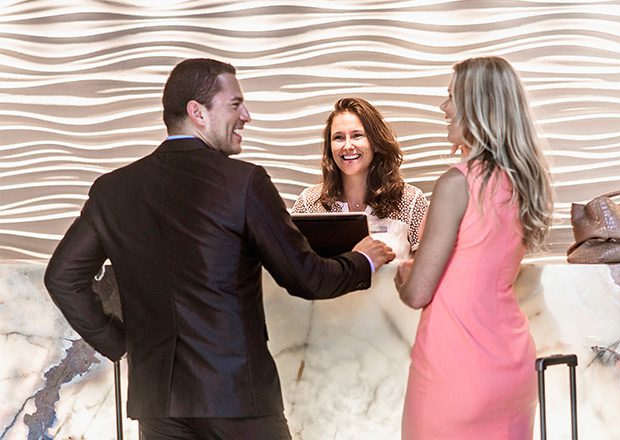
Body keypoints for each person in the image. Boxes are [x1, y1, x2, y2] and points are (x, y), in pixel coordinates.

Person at [43, 58, 395, 440]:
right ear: (197, 112)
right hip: (238, 399)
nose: (247, 115)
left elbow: (63, 277)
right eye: (235, 104)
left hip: (158, 403)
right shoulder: (244, 183)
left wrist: (118, 342)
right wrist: (363, 261)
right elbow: (305, 277)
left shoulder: (114, 190)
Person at [394, 56, 553, 439]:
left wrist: (402, 271)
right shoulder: (524, 184)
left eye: (452, 97)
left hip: (455, 367)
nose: (444, 108)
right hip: (511, 364)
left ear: (477, 106)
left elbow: (418, 293)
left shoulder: (457, 184)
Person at [292, 97, 428, 260]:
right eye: (339, 137)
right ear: (330, 147)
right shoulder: (309, 203)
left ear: (375, 142)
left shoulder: (411, 201)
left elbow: (427, 268)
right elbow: (295, 266)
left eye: (357, 135)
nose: (348, 146)